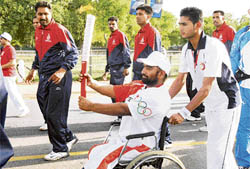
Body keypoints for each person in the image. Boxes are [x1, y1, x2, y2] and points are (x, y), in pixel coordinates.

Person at [168, 7, 241, 169]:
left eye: (185, 24)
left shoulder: (213, 46)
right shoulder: (187, 49)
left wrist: (183, 112)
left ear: (197, 25)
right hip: (211, 105)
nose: (181, 28)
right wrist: (162, 102)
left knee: (219, 152)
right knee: (218, 151)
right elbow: (180, 80)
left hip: (227, 104)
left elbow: (206, 87)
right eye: (179, 24)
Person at [79, 51, 172, 169]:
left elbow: (123, 109)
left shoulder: (158, 96)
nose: (143, 71)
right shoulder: (141, 86)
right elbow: (116, 90)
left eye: (149, 68)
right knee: (96, 152)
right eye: (144, 67)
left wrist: (91, 106)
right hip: (126, 140)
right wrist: (93, 84)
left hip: (140, 145)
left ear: (161, 74)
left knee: (102, 161)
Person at [25, 1, 78, 161]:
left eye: (45, 14)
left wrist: (62, 71)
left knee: (54, 114)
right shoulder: (38, 31)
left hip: (59, 77)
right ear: (36, 15)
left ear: (51, 14)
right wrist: (33, 69)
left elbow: (73, 53)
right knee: (47, 112)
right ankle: (68, 137)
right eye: (40, 14)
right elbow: (39, 54)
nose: (43, 17)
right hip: (44, 76)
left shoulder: (59, 30)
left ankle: (60, 149)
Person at [198, 10, 236, 132]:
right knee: (214, 96)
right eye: (213, 17)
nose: (215, 19)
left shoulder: (229, 30)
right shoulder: (214, 33)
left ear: (223, 18)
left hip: (226, 70)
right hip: (215, 68)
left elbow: (234, 50)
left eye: (217, 17)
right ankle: (212, 123)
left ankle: (227, 123)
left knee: (226, 97)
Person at [230, 8, 250, 169]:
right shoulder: (242, 33)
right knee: (243, 127)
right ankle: (244, 163)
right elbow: (233, 58)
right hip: (245, 87)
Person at [102, 16, 131, 120]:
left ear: (117, 24)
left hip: (120, 68)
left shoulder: (120, 35)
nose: (111, 26)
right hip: (113, 69)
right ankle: (120, 116)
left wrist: (127, 66)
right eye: (109, 24)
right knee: (113, 93)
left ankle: (122, 117)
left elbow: (126, 50)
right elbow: (108, 55)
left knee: (118, 93)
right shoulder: (110, 37)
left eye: (113, 24)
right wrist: (106, 71)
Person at [0, 32, 30, 118]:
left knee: (13, 93)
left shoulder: (10, 49)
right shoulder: (3, 49)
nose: (0, 40)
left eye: (1, 38)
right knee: (4, 92)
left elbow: (12, 63)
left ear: (7, 39)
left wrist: (1, 67)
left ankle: (23, 109)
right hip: (4, 74)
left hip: (9, 74)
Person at [132, 4, 162, 80]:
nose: (137, 16)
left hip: (145, 75)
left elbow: (156, 56)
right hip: (136, 73)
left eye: (140, 14)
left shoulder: (152, 32)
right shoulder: (139, 33)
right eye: (136, 14)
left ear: (148, 16)